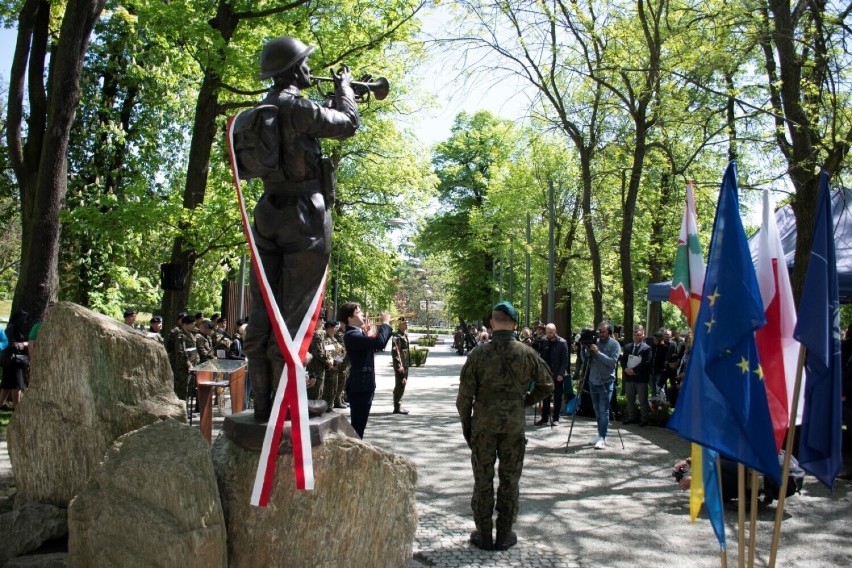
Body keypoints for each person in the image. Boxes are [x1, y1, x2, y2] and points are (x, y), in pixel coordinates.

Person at [244, 35, 361, 423]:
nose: (311, 69)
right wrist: (344, 91)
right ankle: (288, 402)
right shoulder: (296, 105)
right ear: (293, 69)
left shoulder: (263, 108)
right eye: (306, 63)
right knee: (295, 311)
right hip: (303, 214)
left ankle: (263, 402)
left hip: (267, 211)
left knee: (264, 309)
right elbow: (347, 124)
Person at [457, 301, 553, 551]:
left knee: (483, 479)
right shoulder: (527, 353)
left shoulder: (478, 354)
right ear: (515, 324)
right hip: (513, 425)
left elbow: (464, 398)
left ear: (492, 323)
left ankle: (484, 534)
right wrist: (524, 402)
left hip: (484, 425)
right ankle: (504, 534)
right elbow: (547, 384)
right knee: (510, 480)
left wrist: (467, 427)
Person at [338, 303, 391, 439]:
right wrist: (385, 323)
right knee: (357, 428)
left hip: (365, 385)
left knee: (360, 426)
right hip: (360, 386)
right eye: (359, 312)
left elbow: (378, 343)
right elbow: (379, 342)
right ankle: (353, 454)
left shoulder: (358, 332)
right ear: (350, 318)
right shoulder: (351, 334)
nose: (363, 314)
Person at [582, 321, 621, 449]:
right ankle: (599, 433)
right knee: (597, 410)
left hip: (606, 381)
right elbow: (585, 360)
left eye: (604, 331)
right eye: (599, 331)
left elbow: (612, 363)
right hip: (593, 380)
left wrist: (598, 353)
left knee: (604, 410)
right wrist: (585, 349)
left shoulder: (614, 344)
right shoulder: (595, 341)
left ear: (609, 331)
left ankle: (603, 437)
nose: (601, 334)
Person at [535, 323, 571, 426]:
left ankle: (556, 418)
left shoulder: (562, 342)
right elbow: (539, 353)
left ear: (555, 331)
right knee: (545, 396)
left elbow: (565, 360)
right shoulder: (544, 340)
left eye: (551, 332)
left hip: (557, 373)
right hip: (546, 373)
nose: (549, 334)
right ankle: (544, 418)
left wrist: (561, 373)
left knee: (557, 397)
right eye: (547, 332)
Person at [620, 326, 652, 426]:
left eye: (638, 335)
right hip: (629, 377)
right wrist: (626, 368)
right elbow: (623, 360)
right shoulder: (628, 347)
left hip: (641, 378)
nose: (636, 337)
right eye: (634, 335)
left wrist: (633, 370)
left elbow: (646, 363)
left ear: (643, 336)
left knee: (642, 400)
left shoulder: (647, 348)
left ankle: (644, 419)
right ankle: (631, 417)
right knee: (630, 399)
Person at [0, 310, 30, 411]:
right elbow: (12, 344)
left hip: (11, 361)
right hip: (13, 361)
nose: (26, 322)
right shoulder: (12, 329)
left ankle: (1, 404)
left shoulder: (14, 328)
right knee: (17, 385)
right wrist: (26, 344)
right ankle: (17, 408)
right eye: (24, 319)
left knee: (7, 385)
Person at [391, 316, 411, 415]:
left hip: (405, 364)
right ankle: (397, 406)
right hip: (401, 365)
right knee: (399, 385)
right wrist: (399, 366)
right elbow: (396, 352)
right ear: (399, 324)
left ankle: (399, 405)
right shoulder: (397, 336)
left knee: (402, 384)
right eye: (404, 324)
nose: (406, 325)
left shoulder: (404, 335)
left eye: (407, 323)